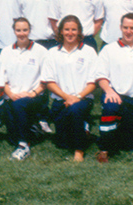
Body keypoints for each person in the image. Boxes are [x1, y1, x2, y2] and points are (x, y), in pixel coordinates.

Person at [41, 15, 98, 162]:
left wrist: (77, 97)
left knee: (75, 110)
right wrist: (67, 97)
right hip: (62, 100)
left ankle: (79, 150)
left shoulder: (89, 52)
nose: (70, 33)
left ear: (79, 31)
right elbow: (49, 82)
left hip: (83, 99)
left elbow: (93, 83)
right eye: (66, 29)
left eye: (74, 29)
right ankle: (84, 129)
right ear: (61, 32)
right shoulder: (52, 52)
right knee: (62, 143)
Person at [94, 13, 133, 163]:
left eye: (132, 28)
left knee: (130, 146)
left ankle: (122, 128)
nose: (128, 31)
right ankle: (104, 148)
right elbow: (101, 76)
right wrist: (109, 91)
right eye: (125, 27)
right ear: (120, 28)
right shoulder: (109, 49)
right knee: (110, 107)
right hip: (116, 95)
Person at [0, 17, 48, 160]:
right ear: (14, 31)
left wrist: (33, 93)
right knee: (11, 137)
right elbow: (2, 79)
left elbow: (45, 80)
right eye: (18, 30)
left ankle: (23, 146)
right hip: (11, 97)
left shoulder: (41, 51)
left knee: (20, 108)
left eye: (25, 30)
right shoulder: (6, 51)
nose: (22, 33)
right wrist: (11, 94)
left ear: (30, 30)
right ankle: (35, 129)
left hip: (33, 97)